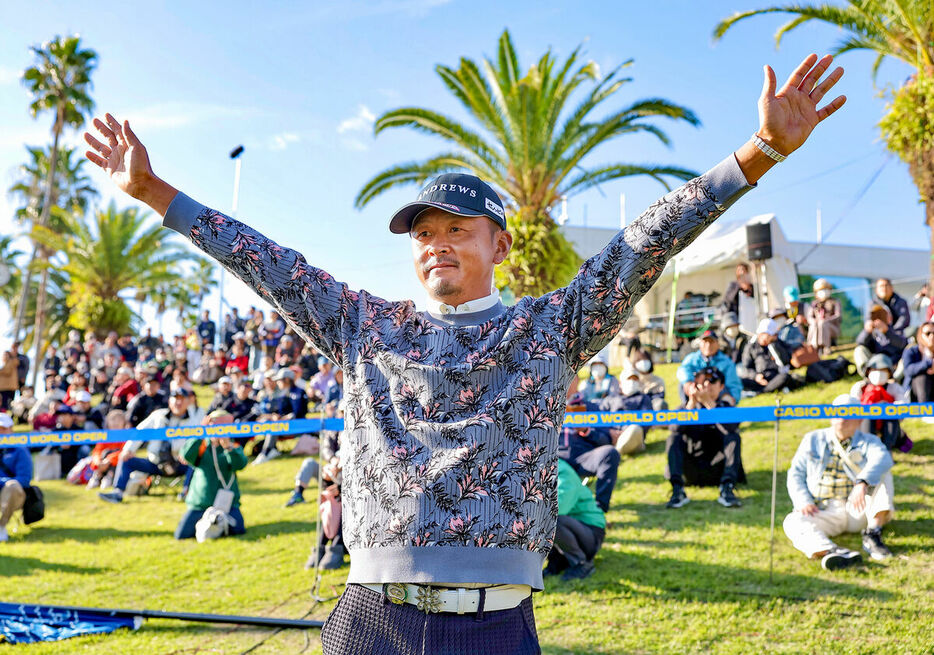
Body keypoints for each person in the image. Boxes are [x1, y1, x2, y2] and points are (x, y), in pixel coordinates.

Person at [84, 53, 846, 651]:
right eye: (423, 233)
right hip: (368, 625)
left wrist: (757, 154)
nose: (437, 245)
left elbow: (642, 243)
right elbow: (264, 261)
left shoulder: (551, 327)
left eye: (456, 229)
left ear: (500, 243)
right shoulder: (361, 324)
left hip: (496, 628)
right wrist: (154, 192)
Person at [782, 394, 895, 569]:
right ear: (830, 416)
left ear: (859, 420)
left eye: (850, 414)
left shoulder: (869, 441)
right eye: (839, 413)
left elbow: (884, 458)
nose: (843, 419)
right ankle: (833, 553)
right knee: (792, 521)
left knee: (883, 474)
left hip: (857, 508)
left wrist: (862, 482)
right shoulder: (812, 439)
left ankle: (873, 534)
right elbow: (795, 473)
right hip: (824, 508)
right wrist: (803, 500)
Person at [98, 388, 204, 503]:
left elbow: (199, 442)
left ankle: (186, 492)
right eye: (175, 399)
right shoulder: (158, 415)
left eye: (182, 399)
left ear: (188, 402)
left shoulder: (194, 420)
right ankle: (117, 493)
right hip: (155, 463)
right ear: (169, 401)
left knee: (196, 463)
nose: (178, 402)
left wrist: (187, 454)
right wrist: (128, 450)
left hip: (180, 463)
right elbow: (140, 432)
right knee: (126, 459)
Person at [665, 367, 745, 509]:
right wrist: (691, 405)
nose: (706, 385)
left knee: (733, 437)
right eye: (702, 382)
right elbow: (674, 429)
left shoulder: (726, 407)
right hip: (691, 469)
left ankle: (727, 489)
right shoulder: (686, 407)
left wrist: (710, 405)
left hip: (719, 468)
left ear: (721, 387)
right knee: (673, 438)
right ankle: (677, 491)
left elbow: (731, 428)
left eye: (712, 381)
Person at [175, 410, 248, 540]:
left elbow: (240, 464)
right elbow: (186, 455)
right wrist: (200, 433)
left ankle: (216, 527)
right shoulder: (202, 444)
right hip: (201, 503)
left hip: (227, 504)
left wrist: (228, 448)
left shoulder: (233, 445)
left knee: (239, 530)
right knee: (181, 535)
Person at [543, 458, 606, 581]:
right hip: (573, 529)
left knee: (550, 518)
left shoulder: (563, 472)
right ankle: (557, 562)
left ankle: (581, 563)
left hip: (591, 533)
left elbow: (560, 508)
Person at [676, 328, 742, 403]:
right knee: (683, 384)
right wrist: (689, 382)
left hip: (716, 397)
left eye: (711, 342)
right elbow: (683, 370)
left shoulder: (726, 362)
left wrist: (733, 399)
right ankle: (689, 409)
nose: (708, 345)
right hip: (696, 394)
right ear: (700, 344)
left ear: (717, 344)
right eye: (705, 342)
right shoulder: (692, 358)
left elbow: (733, 383)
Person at [741, 318, 805, 394]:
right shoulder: (751, 347)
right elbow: (746, 368)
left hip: (775, 377)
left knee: (785, 377)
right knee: (741, 381)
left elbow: (786, 361)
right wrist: (756, 376)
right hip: (759, 379)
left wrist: (774, 344)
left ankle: (762, 392)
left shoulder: (778, 344)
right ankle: (764, 390)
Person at [0, 413, 32, 542]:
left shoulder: (20, 450)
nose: (0, 432)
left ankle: (1, 526)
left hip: (13, 494)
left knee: (12, 486)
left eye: (3, 428)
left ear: (11, 429)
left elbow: (24, 480)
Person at [854, 304, 908, 378]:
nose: (879, 319)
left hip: (893, 364)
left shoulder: (896, 330)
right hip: (875, 363)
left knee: (908, 352)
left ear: (890, 317)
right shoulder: (872, 333)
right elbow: (860, 343)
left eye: (882, 315)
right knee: (859, 350)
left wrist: (887, 332)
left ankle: (895, 379)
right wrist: (866, 331)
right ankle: (867, 375)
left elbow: (902, 343)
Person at [901, 321, 934, 407]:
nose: (932, 336)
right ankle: (925, 411)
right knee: (922, 378)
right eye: (928, 333)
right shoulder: (911, 351)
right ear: (920, 335)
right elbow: (908, 370)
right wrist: (929, 363)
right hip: (916, 391)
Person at [806, 278, 841, 356]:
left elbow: (838, 316)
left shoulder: (835, 302)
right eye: (821, 290)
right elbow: (809, 317)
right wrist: (814, 321)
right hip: (817, 327)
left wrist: (826, 320)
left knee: (822, 323)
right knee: (814, 324)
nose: (824, 292)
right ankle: (813, 347)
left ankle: (825, 347)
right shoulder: (814, 304)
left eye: (826, 289)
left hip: (832, 328)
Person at [720, 263, 757, 334]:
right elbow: (729, 299)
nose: (742, 272)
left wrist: (748, 289)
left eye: (743, 270)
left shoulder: (752, 286)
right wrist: (740, 286)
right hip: (738, 318)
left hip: (751, 317)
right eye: (739, 270)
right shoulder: (734, 285)